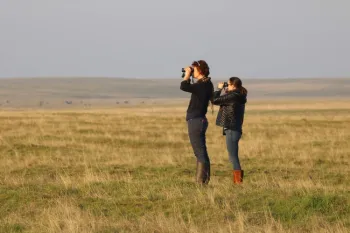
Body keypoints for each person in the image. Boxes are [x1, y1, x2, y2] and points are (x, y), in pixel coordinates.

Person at [180, 60, 214, 185]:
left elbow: (183, 86)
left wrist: (187, 74)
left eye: (194, 68)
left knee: (199, 152)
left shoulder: (202, 85)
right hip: (198, 119)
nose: (192, 70)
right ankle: (203, 180)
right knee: (201, 151)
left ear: (200, 70)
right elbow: (188, 87)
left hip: (196, 120)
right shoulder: (206, 84)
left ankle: (201, 182)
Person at [212, 77, 247, 184]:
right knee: (233, 156)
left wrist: (218, 89)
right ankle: (237, 181)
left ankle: (238, 182)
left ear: (233, 85)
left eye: (228, 84)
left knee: (233, 157)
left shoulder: (233, 96)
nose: (227, 85)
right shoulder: (238, 95)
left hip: (232, 129)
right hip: (234, 129)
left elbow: (214, 100)